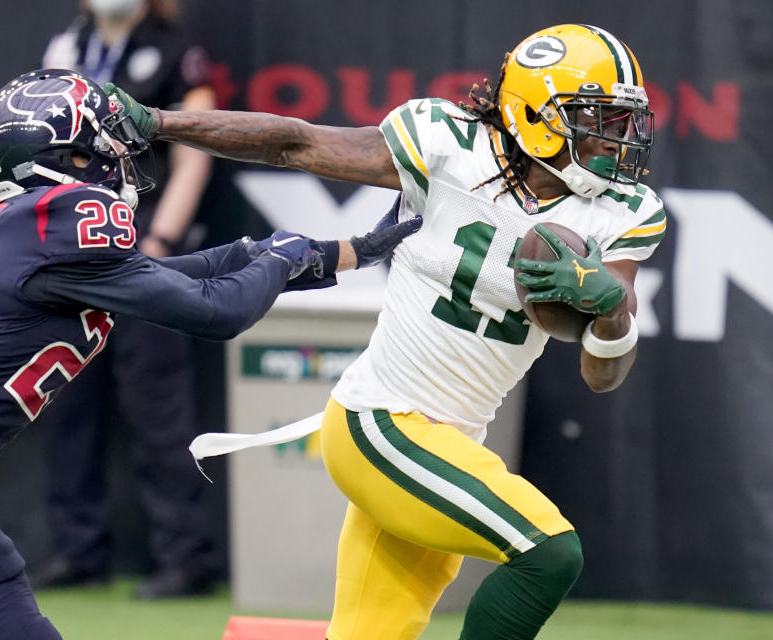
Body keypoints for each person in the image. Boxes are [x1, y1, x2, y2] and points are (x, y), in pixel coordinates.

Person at [0, 68, 420, 639]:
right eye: (99, 147)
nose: (118, 159)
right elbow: (217, 311)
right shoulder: (59, 219)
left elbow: (194, 274)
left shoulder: (42, 232)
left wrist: (351, 250)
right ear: (63, 160)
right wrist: (283, 256)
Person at [112, 23, 664, 640]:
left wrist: (612, 310)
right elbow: (293, 144)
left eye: (621, 121)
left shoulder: (623, 212)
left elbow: (602, 373)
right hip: (380, 422)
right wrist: (159, 122)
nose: (614, 138)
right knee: (548, 551)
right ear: (536, 112)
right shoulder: (447, 145)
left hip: (453, 440)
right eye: (598, 118)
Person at [35, 0, 221, 598]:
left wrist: (161, 242)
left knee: (157, 408)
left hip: (144, 250)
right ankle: (76, 549)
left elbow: (194, 152)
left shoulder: (175, 51)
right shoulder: (66, 49)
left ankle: (186, 557)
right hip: (69, 252)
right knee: (63, 402)